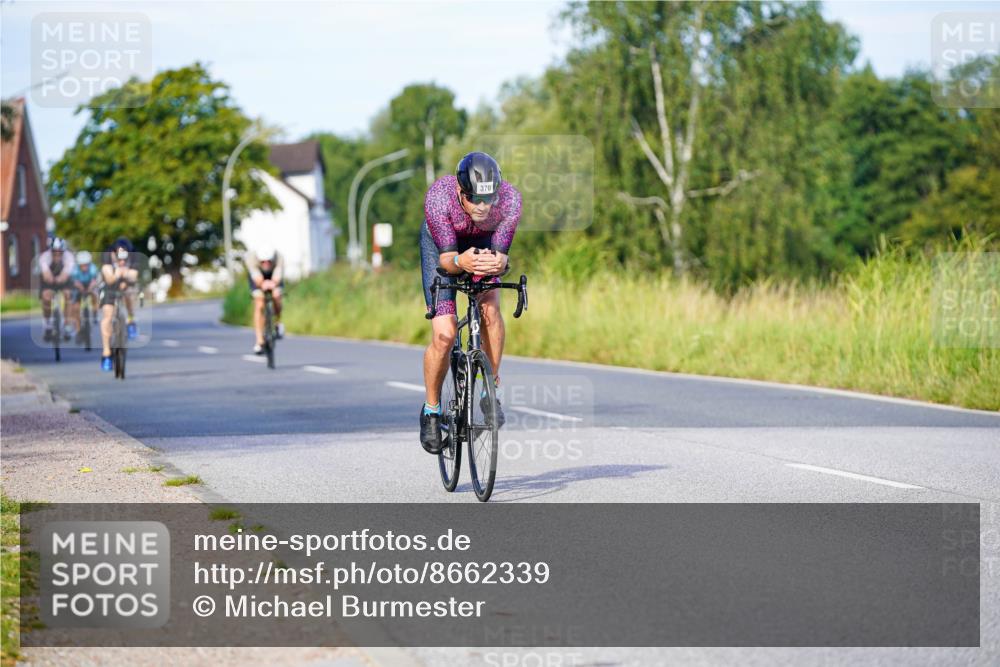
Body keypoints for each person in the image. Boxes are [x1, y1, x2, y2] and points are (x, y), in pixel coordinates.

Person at [419, 152, 522, 454]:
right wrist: (460, 261)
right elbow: (447, 262)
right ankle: (432, 411)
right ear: (461, 192)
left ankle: (491, 388)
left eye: (488, 199)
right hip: (443, 249)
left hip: (483, 245)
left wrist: (500, 262)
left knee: (490, 309)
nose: (482, 206)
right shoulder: (439, 197)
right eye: (475, 199)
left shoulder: (510, 200)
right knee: (445, 334)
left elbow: (502, 257)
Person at [99, 237, 139, 372]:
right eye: (119, 257)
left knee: (130, 292)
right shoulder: (107, 256)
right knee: (107, 317)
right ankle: (106, 353)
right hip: (109, 287)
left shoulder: (133, 257)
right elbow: (109, 278)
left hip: (126, 285)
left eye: (124, 258)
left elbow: (134, 276)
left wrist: (126, 275)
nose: (122, 261)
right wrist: (118, 273)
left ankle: (131, 319)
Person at [244, 244, 285, 354]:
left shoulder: (279, 257)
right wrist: (262, 284)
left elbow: (278, 275)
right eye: (263, 262)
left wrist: (274, 284)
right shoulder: (251, 259)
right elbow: (256, 277)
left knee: (277, 296)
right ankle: (259, 341)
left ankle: (277, 322)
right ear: (259, 259)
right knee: (259, 303)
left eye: (268, 261)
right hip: (258, 275)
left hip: (273, 275)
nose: (266, 263)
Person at [38, 236, 76, 342]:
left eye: (60, 253)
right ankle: (47, 324)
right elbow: (46, 275)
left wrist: (60, 279)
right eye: (55, 253)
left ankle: (67, 324)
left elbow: (66, 274)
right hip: (49, 280)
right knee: (46, 297)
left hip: (63, 280)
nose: (57, 255)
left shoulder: (69, 257)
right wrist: (51, 279)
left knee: (68, 295)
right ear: (51, 251)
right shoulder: (44, 257)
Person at [70, 250, 100, 341]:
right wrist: (81, 289)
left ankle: (95, 313)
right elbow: (75, 282)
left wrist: (90, 289)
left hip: (90, 285)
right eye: (82, 265)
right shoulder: (75, 270)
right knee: (75, 306)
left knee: (95, 295)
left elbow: (94, 281)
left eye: (86, 264)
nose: (84, 267)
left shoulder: (93, 268)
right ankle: (78, 329)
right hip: (79, 287)